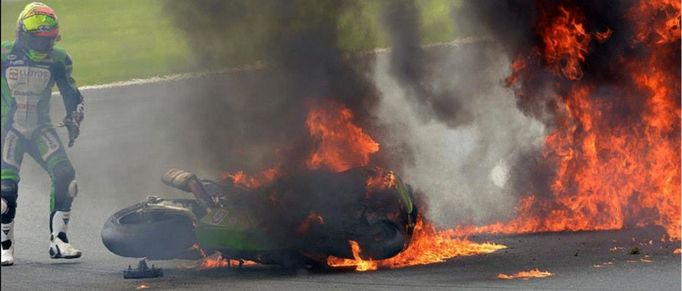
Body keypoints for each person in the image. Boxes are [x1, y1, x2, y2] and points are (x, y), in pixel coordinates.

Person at [1, 2, 85, 266]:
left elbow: (72, 93)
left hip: (40, 128)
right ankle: (4, 246)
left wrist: (74, 118)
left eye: (50, 39)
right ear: (23, 34)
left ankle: (59, 240)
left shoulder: (59, 58)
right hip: (8, 129)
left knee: (66, 177)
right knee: (5, 191)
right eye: (40, 39)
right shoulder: (3, 54)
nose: (45, 45)